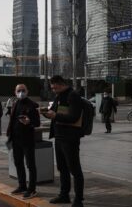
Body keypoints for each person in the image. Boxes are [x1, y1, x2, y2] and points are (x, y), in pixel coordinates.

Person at [43, 75, 84, 207]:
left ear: (60, 84)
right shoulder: (59, 96)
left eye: (54, 87)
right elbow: (55, 113)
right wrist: (45, 112)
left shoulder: (73, 95)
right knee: (62, 168)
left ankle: (78, 200)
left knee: (74, 169)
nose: (53, 90)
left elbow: (73, 117)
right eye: (52, 88)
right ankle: (64, 195)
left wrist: (55, 115)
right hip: (59, 137)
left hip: (70, 138)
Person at [6, 84, 40, 199]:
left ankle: (32, 189)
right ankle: (22, 186)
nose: (21, 92)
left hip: (28, 140)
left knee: (30, 165)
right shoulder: (15, 103)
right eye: (19, 90)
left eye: (23, 90)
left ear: (27, 91)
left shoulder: (32, 105)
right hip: (16, 140)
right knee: (18, 163)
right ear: (15, 92)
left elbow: (37, 122)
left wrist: (29, 122)